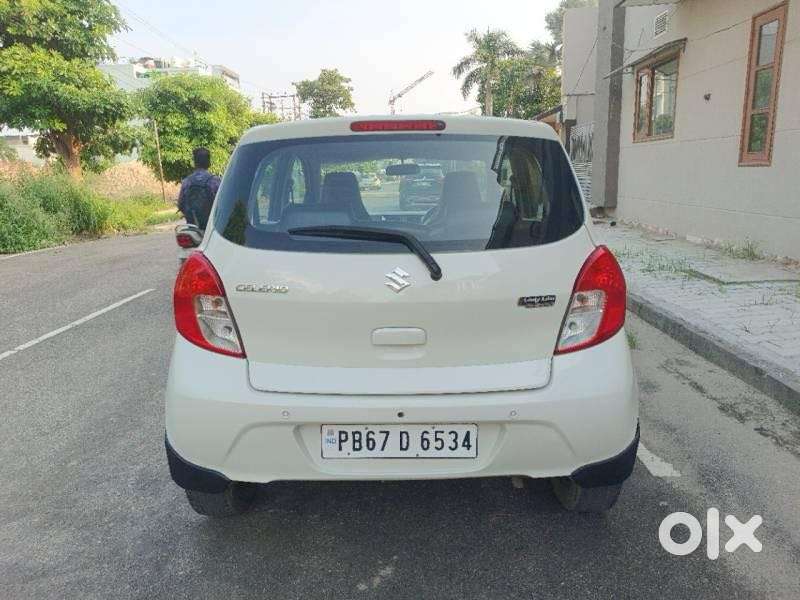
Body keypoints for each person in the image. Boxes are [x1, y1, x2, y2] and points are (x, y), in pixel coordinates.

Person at [177, 147, 221, 230]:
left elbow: (180, 204)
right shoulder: (215, 181)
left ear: (195, 163)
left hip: (193, 227)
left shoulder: (186, 182)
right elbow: (223, 203)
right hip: (212, 227)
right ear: (209, 162)